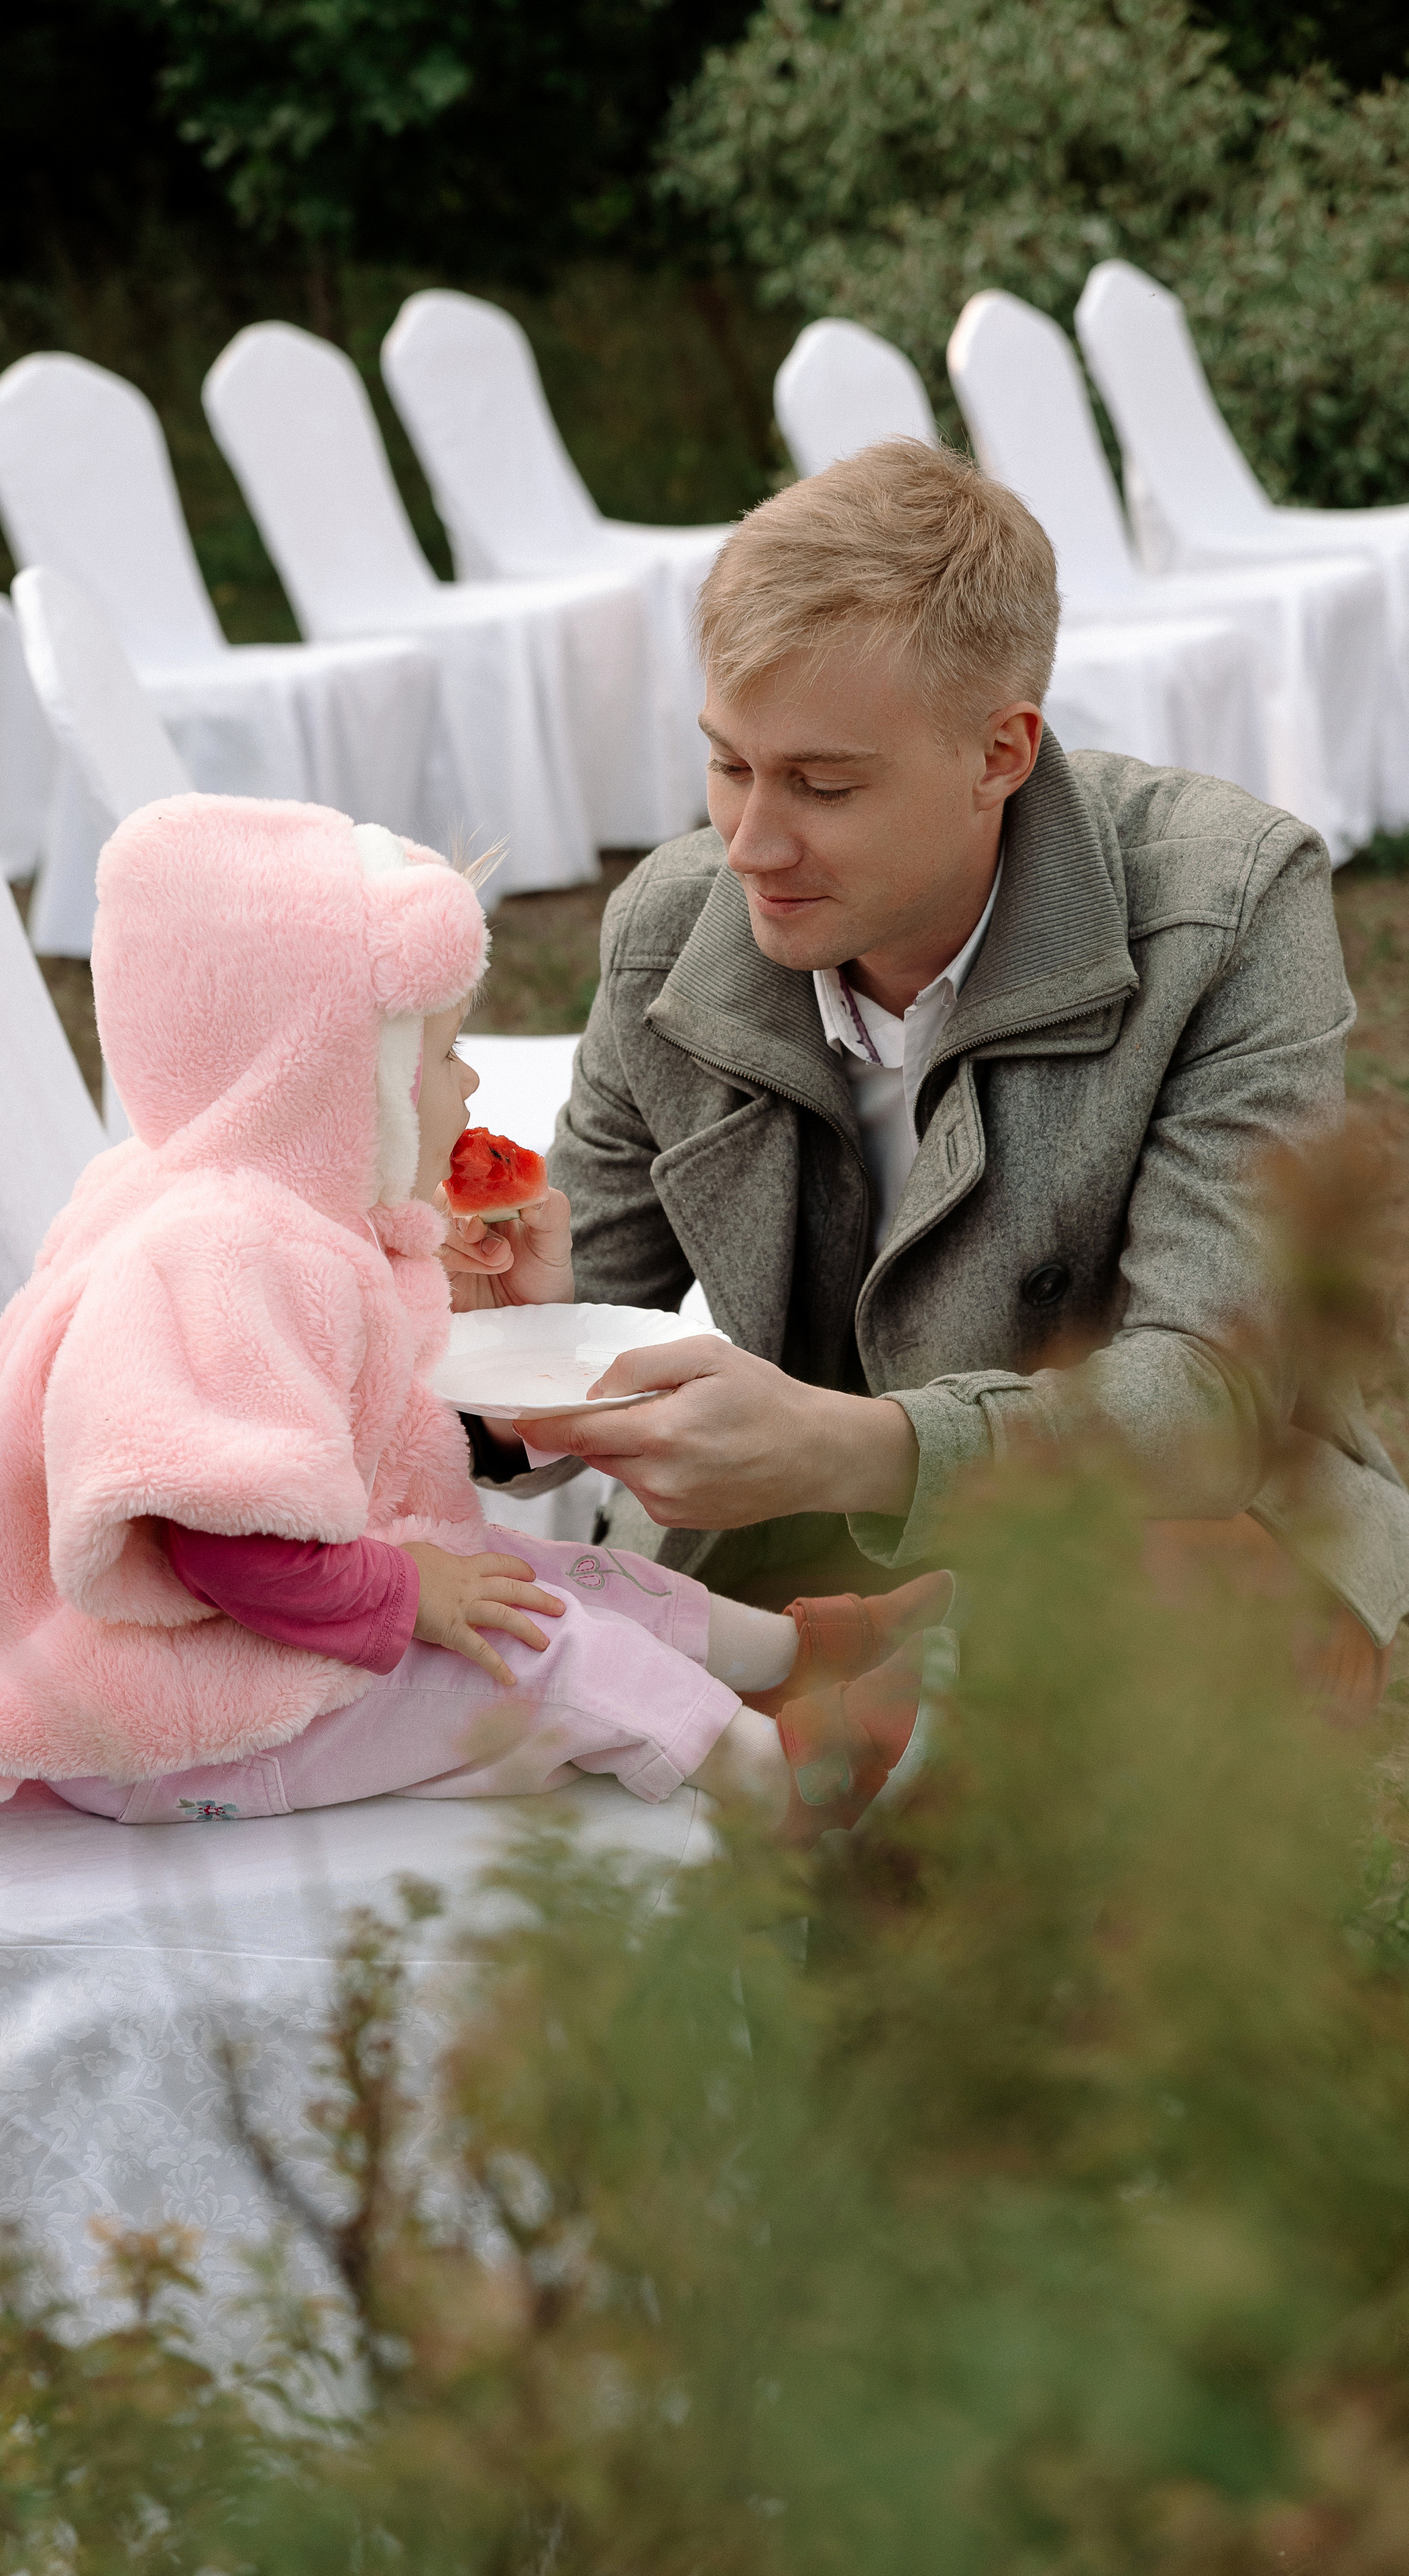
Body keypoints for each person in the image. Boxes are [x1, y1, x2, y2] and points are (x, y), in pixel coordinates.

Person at [453, 439, 1408, 1711]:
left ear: (1002, 754)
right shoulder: (670, 929)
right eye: (729, 763)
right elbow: (538, 1403)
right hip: (805, 1539)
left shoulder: (1225, 905)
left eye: (823, 784)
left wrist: (845, 1450)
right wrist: (512, 1361)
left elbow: (1213, 1401)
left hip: (1174, 1526)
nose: (748, 844)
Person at [0, 796, 956, 1843]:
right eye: (438, 1056)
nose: (469, 1075)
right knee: (543, 1653)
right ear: (334, 1076)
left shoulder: (277, 1213)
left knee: (556, 1579)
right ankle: (779, 1782)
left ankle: (798, 1652)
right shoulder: (222, 1256)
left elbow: (375, 1440)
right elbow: (220, 1540)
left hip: (272, 1619)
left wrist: (519, 1339)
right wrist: (408, 1588)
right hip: (172, 1721)